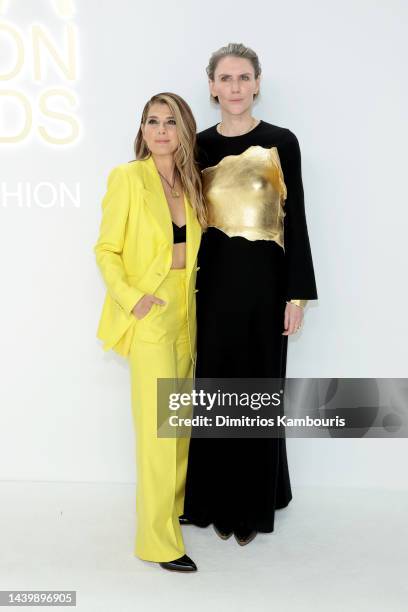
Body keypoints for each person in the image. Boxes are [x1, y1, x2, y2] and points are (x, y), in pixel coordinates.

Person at [182, 43, 318, 546]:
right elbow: (183, 219)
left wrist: (297, 296)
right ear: (212, 86)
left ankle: (255, 504)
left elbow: (296, 219)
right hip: (212, 286)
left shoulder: (282, 141)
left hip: (266, 286)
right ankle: (211, 501)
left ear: (257, 83)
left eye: (244, 78)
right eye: (225, 78)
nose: (235, 87)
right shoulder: (195, 146)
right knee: (215, 392)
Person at [93, 93, 203, 571]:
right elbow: (105, 249)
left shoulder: (192, 181)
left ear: (184, 130)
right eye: (152, 122)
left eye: (170, 122)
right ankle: (157, 542)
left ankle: (172, 513)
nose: (161, 130)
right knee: (158, 432)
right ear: (143, 130)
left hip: (188, 310)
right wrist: (132, 297)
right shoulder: (128, 177)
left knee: (179, 427)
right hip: (151, 311)